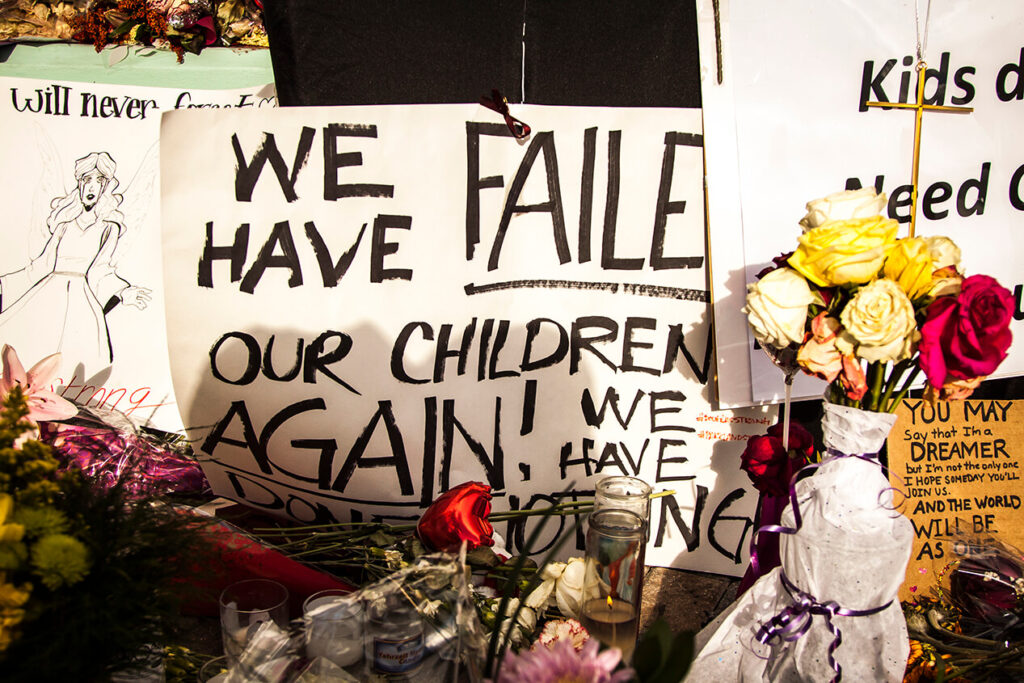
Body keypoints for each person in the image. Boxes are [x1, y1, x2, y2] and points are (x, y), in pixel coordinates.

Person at [0, 152, 151, 372]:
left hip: (80, 299)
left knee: (75, 361)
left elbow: (101, 269)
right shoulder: (64, 226)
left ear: (105, 187)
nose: (91, 187)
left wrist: (122, 291)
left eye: (99, 181)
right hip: (47, 294)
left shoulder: (109, 228)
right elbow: (41, 266)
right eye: (86, 180)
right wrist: (3, 283)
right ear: (79, 183)